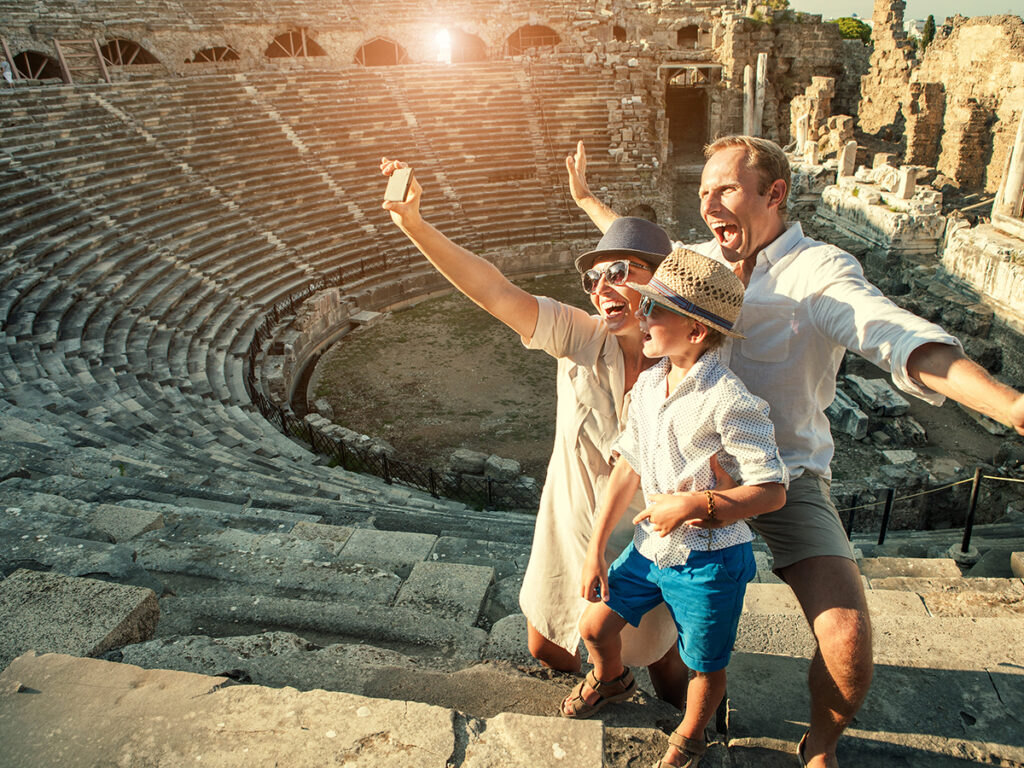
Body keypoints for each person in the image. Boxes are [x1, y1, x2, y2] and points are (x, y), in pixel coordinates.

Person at [566, 137, 1024, 767]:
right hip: (685, 467)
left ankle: (820, 744)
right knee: (605, 606)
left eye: (724, 189)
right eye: (703, 193)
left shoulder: (820, 274)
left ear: (773, 194)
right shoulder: (700, 261)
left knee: (847, 635)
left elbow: (893, 335)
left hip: (784, 474)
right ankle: (634, 680)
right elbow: (638, 257)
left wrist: (1010, 407)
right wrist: (591, 203)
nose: (709, 205)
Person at [379, 156, 703, 706]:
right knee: (546, 643)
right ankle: (615, 683)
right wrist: (415, 223)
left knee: (664, 656)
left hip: (651, 533)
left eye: (619, 273)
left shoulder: (688, 368)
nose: (602, 285)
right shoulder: (583, 336)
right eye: (594, 277)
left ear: (661, 283)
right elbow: (496, 292)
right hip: (570, 518)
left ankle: (693, 725)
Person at [559, 247, 789, 768]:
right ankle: (611, 678)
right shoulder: (649, 384)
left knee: (703, 663)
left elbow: (772, 489)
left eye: (655, 310)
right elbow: (630, 463)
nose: (642, 316)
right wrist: (596, 550)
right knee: (594, 628)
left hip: (710, 562)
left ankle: (690, 736)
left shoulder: (731, 400)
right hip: (649, 549)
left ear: (696, 332)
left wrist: (695, 503)